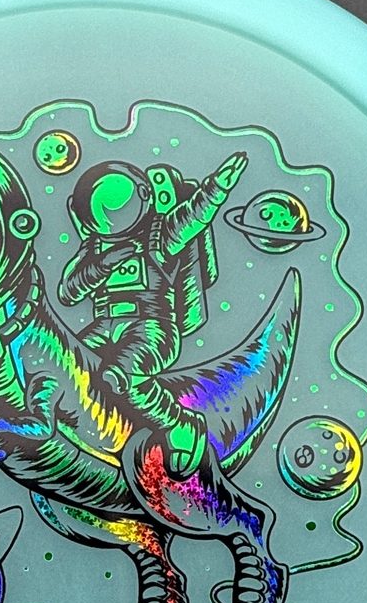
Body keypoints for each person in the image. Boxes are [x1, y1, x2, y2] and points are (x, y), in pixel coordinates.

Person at [58, 152, 247, 477]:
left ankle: (180, 423)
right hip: (104, 325)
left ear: (143, 195)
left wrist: (216, 187)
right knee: (72, 363)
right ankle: (99, 425)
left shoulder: (158, 237)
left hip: (151, 327)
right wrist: (104, 263)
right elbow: (69, 291)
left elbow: (193, 217)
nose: (111, 219)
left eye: (116, 207)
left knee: (121, 372)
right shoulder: (94, 249)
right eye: (100, 212)